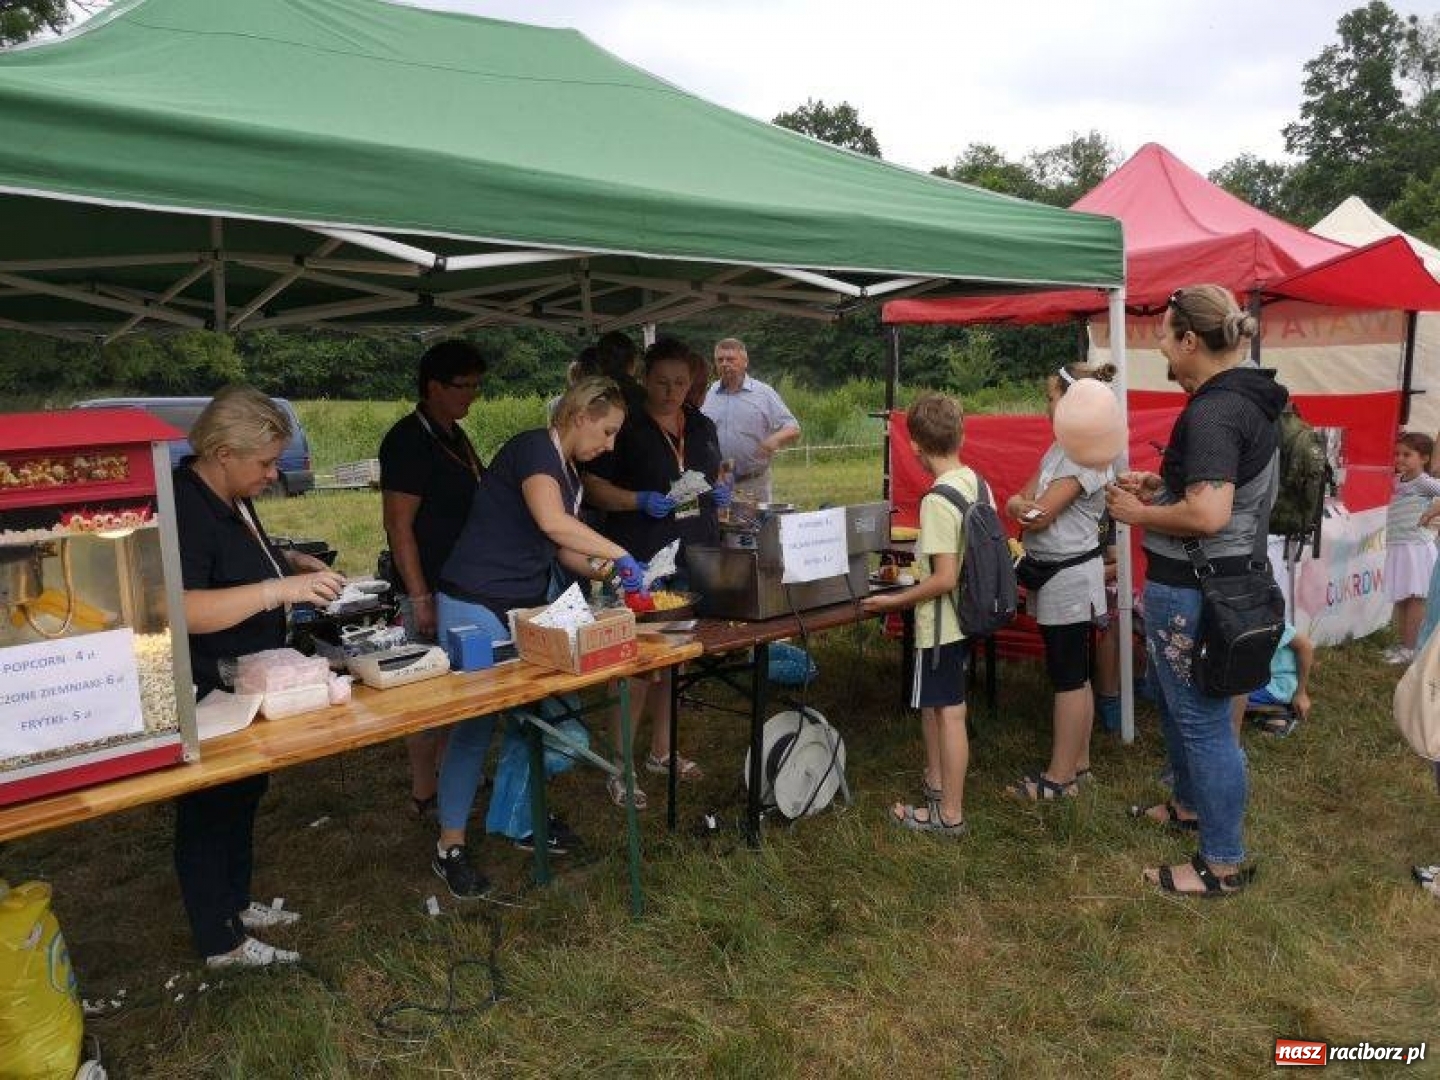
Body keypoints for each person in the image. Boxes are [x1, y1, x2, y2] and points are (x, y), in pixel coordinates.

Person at [426, 376, 648, 897]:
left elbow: (561, 549)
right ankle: (450, 845)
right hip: (472, 604)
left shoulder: (569, 471)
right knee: (475, 726)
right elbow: (552, 523)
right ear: (578, 416)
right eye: (608, 431)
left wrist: (611, 574)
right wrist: (618, 553)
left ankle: (518, 818)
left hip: (522, 608)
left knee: (550, 721)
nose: (610, 445)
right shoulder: (532, 449)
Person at [1106, 284, 1287, 897]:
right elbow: (1221, 491)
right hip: (1216, 580)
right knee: (1182, 704)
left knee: (1205, 721)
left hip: (1195, 588)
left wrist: (1138, 514)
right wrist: (1165, 482)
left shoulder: (1213, 410)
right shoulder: (1247, 400)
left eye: (1163, 334)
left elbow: (1209, 515)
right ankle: (1188, 806)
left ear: (1189, 341)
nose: (1160, 344)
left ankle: (1221, 861)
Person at [172, 386, 346, 967]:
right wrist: (278, 588)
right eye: (265, 463)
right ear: (222, 452)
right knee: (210, 808)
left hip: (244, 678)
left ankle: (237, 902)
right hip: (205, 683)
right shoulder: (185, 506)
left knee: (244, 791)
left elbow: (242, 555)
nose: (273, 474)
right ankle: (218, 939)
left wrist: (287, 560)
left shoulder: (230, 496)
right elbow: (185, 607)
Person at [583, 338, 732, 808]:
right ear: (645, 380)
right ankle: (618, 766)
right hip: (641, 562)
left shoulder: (703, 424)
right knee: (632, 667)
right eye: (663, 383)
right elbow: (592, 487)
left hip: (695, 554)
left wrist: (722, 491)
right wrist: (637, 500)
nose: (671, 392)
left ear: (693, 383)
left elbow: (716, 472)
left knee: (676, 660)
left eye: (681, 383)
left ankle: (663, 753)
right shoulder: (624, 427)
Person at [379, 340, 487, 821]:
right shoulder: (408, 439)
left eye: (477, 385)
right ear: (433, 386)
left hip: (461, 583)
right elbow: (399, 526)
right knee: (425, 693)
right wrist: (420, 596)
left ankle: (450, 773)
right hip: (428, 584)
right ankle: (424, 790)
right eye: (463, 385)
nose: (472, 395)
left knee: (456, 686)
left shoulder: (455, 435)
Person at [859, 392, 974, 838]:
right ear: (960, 434)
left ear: (914, 446)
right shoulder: (972, 480)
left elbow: (944, 577)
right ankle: (937, 781)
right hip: (960, 618)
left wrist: (892, 602)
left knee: (949, 714)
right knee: (940, 708)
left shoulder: (937, 500)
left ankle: (949, 814)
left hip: (940, 622)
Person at [1004, 362, 1117, 800]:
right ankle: (1078, 765)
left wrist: (1022, 508)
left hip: (1070, 576)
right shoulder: (1061, 448)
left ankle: (1060, 777)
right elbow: (1026, 499)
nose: (1046, 405)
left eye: (1051, 397)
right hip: (1058, 574)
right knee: (1073, 673)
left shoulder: (1084, 453)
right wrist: (1024, 506)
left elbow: (1037, 510)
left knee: (1068, 676)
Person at [701, 337, 800, 503]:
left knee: (755, 529)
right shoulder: (708, 394)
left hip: (753, 483)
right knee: (720, 529)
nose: (725, 364)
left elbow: (793, 428)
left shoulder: (763, 393)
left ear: (745, 362)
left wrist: (774, 439)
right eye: (720, 359)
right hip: (717, 484)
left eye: (730, 359)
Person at [1382, 432, 1440, 664]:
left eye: (1407, 455)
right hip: (1400, 546)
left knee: (1416, 598)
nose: (1400, 459)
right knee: (1403, 597)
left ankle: (1411, 648)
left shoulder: (1424, 483)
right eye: (1397, 454)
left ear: (1424, 458)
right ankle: (1404, 644)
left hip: (1415, 547)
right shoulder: (1399, 480)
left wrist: (1432, 513)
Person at [1230, 623, 1314, 737]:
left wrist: (1300, 693)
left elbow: (1305, 646)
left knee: (1223, 698)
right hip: (1258, 678)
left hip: (1277, 685)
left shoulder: (1267, 619)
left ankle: (1279, 712)